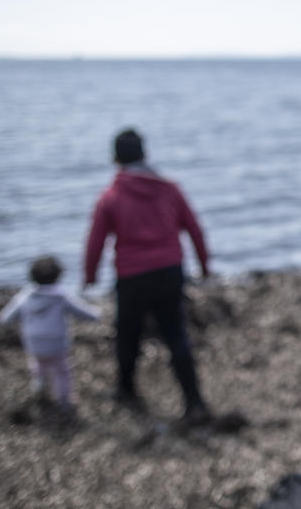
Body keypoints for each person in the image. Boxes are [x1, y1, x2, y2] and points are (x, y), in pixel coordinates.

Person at [84, 128, 211, 424]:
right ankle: (194, 401)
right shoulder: (170, 189)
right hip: (169, 271)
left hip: (132, 277)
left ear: (115, 158)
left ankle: (126, 390)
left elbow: (96, 241)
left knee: (128, 334)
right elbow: (194, 228)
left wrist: (90, 276)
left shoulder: (111, 197)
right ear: (145, 154)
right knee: (176, 334)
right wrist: (204, 265)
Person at [0, 255, 99, 411]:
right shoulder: (62, 296)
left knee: (38, 367)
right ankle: (64, 400)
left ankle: (40, 390)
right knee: (62, 371)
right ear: (58, 275)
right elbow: (84, 313)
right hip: (56, 343)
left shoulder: (23, 297)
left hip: (33, 342)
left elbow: (5, 318)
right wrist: (97, 313)